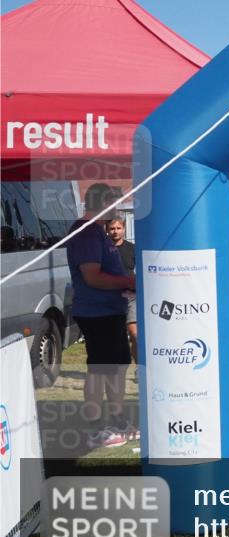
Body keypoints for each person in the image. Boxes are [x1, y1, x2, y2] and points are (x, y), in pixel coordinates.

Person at [66, 184, 137, 449]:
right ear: (103, 202)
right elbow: (92, 276)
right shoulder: (86, 233)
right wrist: (128, 281)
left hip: (111, 310)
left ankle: (117, 420)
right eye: (114, 203)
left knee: (117, 367)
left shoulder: (98, 231)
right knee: (99, 369)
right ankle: (95, 429)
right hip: (96, 313)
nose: (117, 209)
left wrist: (125, 285)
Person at [105, 217, 137, 363]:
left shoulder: (132, 248)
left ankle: (139, 368)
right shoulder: (102, 249)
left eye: (118, 228)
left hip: (131, 297)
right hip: (110, 298)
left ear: (124, 229)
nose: (115, 231)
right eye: (112, 229)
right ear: (107, 230)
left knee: (134, 334)